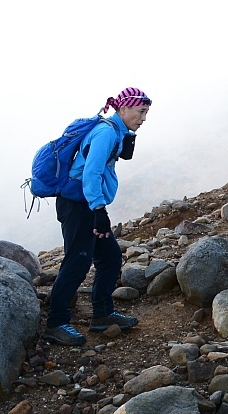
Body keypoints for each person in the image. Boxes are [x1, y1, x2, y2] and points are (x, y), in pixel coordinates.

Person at [43, 87, 151, 346]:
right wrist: (99, 210)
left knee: (110, 257)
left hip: (87, 204)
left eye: (146, 112)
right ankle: (56, 323)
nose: (144, 118)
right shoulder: (105, 133)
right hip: (79, 205)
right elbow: (90, 174)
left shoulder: (116, 131)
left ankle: (102, 315)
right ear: (123, 108)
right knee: (77, 262)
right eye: (141, 111)